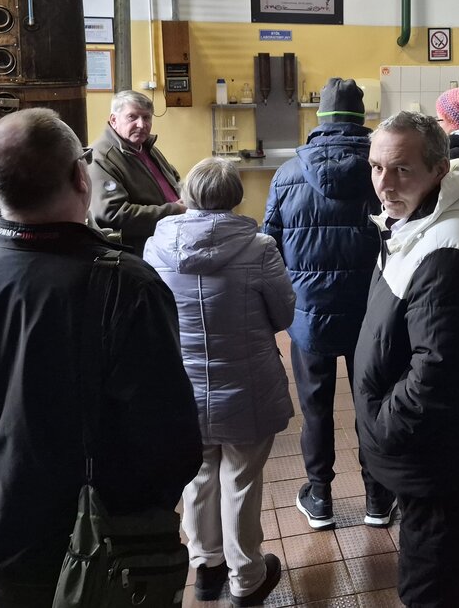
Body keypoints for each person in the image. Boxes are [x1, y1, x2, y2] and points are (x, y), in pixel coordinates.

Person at [0, 108, 201, 607]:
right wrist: (146, 509)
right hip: (111, 543)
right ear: (79, 178)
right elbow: (169, 434)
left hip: (3, 536)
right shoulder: (128, 286)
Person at [354, 112, 459, 607]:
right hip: (428, 444)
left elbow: (437, 370)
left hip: (439, 451)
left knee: (430, 585)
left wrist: (382, 426)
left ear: (439, 169)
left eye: (402, 169)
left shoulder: (447, 245)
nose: (384, 184)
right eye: (376, 167)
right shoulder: (415, 220)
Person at [145, 157, 292, 605]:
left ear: (187, 194)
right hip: (247, 384)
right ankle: (246, 578)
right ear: (236, 196)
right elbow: (284, 314)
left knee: (198, 474)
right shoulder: (259, 247)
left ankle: (206, 567)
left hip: (182, 385)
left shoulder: (156, 246)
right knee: (241, 478)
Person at [261, 78, 392, 531]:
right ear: (361, 118)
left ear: (319, 120)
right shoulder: (382, 171)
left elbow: (270, 246)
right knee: (370, 402)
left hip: (307, 313)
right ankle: (377, 498)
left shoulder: (286, 174)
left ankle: (320, 498)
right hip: (370, 312)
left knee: (315, 407)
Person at [89, 90, 184, 254]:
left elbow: (174, 179)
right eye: (132, 117)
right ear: (114, 120)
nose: (141, 124)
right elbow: (112, 214)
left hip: (171, 239)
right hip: (143, 251)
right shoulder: (101, 157)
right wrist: (175, 211)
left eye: (146, 118)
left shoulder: (145, 147)